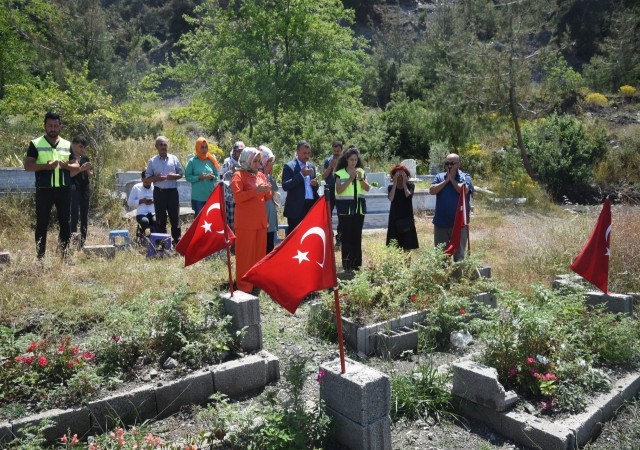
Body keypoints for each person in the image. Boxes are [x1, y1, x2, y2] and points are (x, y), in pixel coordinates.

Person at [23, 112, 79, 259]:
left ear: (60, 126)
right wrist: (45, 166)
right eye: (50, 126)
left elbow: (76, 165)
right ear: (45, 126)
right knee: (42, 223)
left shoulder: (67, 144)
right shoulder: (36, 143)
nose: (53, 128)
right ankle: (40, 257)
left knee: (65, 223)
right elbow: (28, 166)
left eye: (56, 125)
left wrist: (67, 166)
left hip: (63, 189)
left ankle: (65, 255)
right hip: (44, 190)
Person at [231, 148, 272, 293]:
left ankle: (256, 283)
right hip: (246, 224)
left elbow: (267, 197)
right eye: (254, 160)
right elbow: (238, 197)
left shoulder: (261, 175)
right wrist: (256, 191)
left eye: (259, 161)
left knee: (259, 255)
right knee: (245, 256)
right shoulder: (238, 175)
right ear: (247, 160)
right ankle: (243, 286)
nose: (258, 163)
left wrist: (267, 191)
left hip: (260, 222)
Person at [429, 153, 473, 262]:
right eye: (447, 163)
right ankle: (443, 278)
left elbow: (464, 190)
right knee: (441, 256)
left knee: (459, 256)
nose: (449, 166)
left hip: (459, 224)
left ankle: (458, 278)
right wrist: (446, 181)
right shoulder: (439, 177)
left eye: (452, 163)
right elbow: (432, 190)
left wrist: (452, 180)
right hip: (441, 224)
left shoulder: (465, 176)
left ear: (459, 164)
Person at [334, 146, 370, 272]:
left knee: (356, 236)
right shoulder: (340, 173)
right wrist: (350, 179)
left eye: (355, 159)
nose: (353, 162)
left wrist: (360, 178)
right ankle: (347, 265)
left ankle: (356, 264)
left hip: (358, 209)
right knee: (347, 238)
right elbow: (338, 190)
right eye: (351, 160)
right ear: (346, 160)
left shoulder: (361, 172)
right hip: (345, 210)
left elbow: (367, 188)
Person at [144, 136, 184, 246]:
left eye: (165, 145)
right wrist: (156, 178)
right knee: (160, 219)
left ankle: (177, 243)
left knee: (175, 218)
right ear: (156, 147)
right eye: (161, 145)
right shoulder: (152, 161)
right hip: (159, 193)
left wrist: (174, 176)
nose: (163, 147)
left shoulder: (174, 159)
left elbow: (181, 173)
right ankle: (163, 244)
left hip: (172, 193)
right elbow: (147, 178)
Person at [282, 140, 319, 235]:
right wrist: (301, 175)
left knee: (309, 235)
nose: (306, 156)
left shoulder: (311, 166)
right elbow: (285, 186)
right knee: (295, 237)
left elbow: (313, 188)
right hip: (296, 209)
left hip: (310, 206)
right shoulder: (289, 166)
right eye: (304, 153)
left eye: (308, 153)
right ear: (297, 152)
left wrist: (315, 184)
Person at [386, 164, 419, 251]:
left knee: (407, 247)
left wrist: (404, 183)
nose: (400, 177)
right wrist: (395, 183)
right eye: (398, 175)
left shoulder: (410, 186)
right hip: (394, 219)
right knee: (395, 247)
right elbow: (391, 198)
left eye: (402, 175)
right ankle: (397, 264)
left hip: (407, 219)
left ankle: (407, 265)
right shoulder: (390, 187)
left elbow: (408, 196)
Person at [185, 137, 219, 215]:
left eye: (206, 147)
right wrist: (199, 177)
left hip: (210, 196)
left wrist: (212, 177)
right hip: (198, 198)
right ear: (197, 148)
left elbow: (216, 176)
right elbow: (187, 177)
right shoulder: (192, 161)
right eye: (202, 147)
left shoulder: (210, 160)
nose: (204, 149)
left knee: (209, 220)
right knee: (199, 221)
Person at [69, 135, 93, 249]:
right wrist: (81, 168)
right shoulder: (69, 158)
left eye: (83, 148)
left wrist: (88, 169)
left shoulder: (85, 158)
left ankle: (83, 243)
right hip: (74, 190)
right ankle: (72, 241)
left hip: (85, 189)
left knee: (84, 216)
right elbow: (70, 174)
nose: (82, 150)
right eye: (80, 147)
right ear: (74, 144)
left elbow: (91, 175)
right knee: (74, 216)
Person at [220, 141, 245, 234]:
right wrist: (232, 172)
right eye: (239, 151)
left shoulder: (246, 162)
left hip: (242, 197)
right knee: (231, 222)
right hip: (230, 197)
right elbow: (222, 177)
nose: (240, 154)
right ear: (234, 151)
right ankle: (232, 244)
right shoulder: (228, 162)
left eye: (242, 151)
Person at [258, 145, 279, 253]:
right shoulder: (257, 174)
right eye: (269, 161)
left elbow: (275, 188)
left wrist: (271, 175)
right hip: (263, 209)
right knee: (265, 238)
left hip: (270, 208)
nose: (271, 163)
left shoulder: (268, 175)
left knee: (270, 237)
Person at [322, 140, 343, 247]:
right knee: (328, 215)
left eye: (338, 151)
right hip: (330, 189)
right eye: (334, 151)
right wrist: (330, 166)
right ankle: (329, 236)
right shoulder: (327, 160)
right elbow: (323, 176)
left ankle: (340, 238)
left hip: (341, 190)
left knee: (341, 215)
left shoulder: (345, 161)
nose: (336, 153)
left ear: (341, 150)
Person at [128, 171, 157, 237]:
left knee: (156, 221)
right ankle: (146, 237)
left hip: (153, 212)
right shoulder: (136, 187)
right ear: (142, 180)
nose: (147, 184)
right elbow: (129, 202)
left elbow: (161, 199)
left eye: (149, 182)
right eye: (145, 182)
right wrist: (141, 201)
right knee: (145, 221)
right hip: (141, 213)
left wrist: (153, 201)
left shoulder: (155, 187)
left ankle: (156, 239)